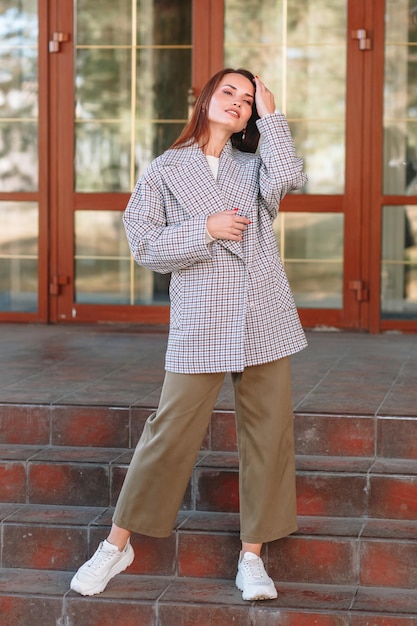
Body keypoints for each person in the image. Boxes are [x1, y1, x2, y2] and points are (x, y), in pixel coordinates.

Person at [70, 68, 308, 601]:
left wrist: (274, 116)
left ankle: (253, 557)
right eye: (230, 92)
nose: (239, 103)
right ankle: (117, 544)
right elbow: (145, 244)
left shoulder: (255, 166)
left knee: (269, 438)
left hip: (262, 314)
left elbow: (289, 175)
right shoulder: (164, 170)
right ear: (204, 99)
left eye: (247, 100)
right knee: (168, 430)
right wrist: (204, 231)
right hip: (201, 317)